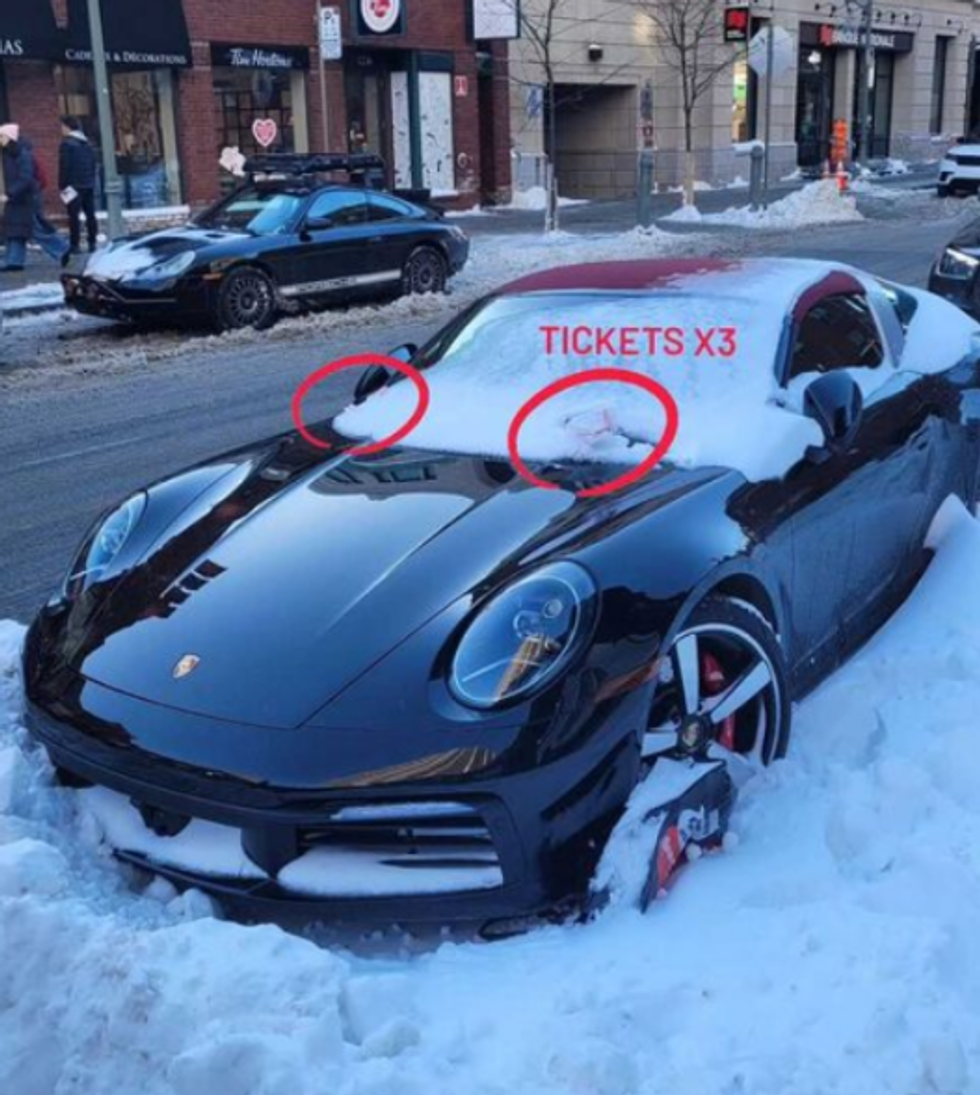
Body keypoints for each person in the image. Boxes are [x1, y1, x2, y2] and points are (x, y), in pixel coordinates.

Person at [0, 123, 70, 271]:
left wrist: (10, 193)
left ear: (10, 137)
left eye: (2, 136)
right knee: (15, 229)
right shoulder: (8, 153)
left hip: (24, 198)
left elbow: (26, 177)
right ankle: (14, 261)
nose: (0, 139)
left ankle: (62, 249)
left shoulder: (22, 154)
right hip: (17, 198)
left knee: (33, 229)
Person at [58, 115, 98, 254]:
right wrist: (91, 180)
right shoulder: (87, 143)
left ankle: (75, 244)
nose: (61, 129)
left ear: (67, 127)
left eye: (62, 126)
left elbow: (64, 167)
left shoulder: (66, 144)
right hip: (88, 184)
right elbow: (93, 164)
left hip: (72, 185)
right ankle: (92, 242)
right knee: (90, 214)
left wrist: (62, 186)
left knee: (73, 216)